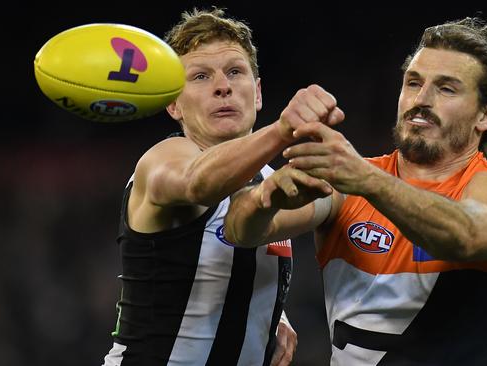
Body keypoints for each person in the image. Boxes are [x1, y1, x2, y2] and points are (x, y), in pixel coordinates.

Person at [224, 17, 487, 365]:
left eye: (447, 88)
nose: (421, 99)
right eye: (413, 83)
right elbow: (239, 231)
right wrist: (263, 201)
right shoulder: (344, 184)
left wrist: (365, 179)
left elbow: (466, 237)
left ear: (486, 115)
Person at [102, 7, 344, 366]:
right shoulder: (163, 160)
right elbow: (198, 184)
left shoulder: (270, 180)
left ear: (257, 93)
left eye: (235, 71)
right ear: (173, 104)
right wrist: (281, 130)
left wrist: (266, 312)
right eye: (200, 76)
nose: (222, 86)